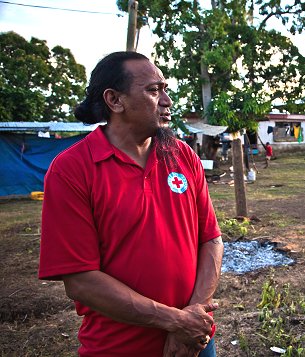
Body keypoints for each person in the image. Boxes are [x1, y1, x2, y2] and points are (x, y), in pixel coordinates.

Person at [38, 51, 224, 357]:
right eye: (153, 90)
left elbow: (211, 239)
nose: (167, 100)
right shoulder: (72, 169)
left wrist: (193, 316)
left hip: (195, 340)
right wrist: (174, 321)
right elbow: (81, 281)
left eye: (165, 89)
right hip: (120, 347)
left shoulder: (182, 155)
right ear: (115, 101)